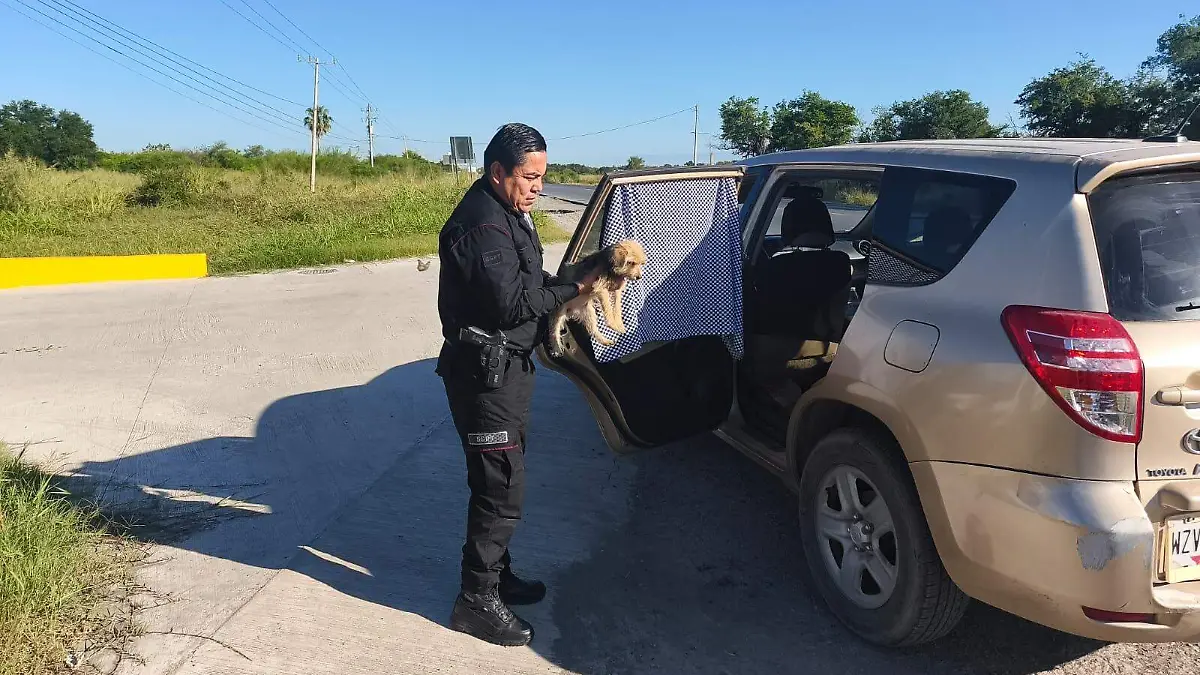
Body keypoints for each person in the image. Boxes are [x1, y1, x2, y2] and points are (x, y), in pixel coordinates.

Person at [435, 122, 598, 647]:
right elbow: (511, 305)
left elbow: (529, 283)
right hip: (484, 378)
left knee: (500, 481)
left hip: (506, 372)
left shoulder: (509, 215)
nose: (538, 187)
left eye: (542, 177)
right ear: (497, 171)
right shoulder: (483, 226)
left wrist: (571, 281)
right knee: (500, 488)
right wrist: (575, 289)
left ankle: (497, 576)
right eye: (529, 177)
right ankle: (475, 601)